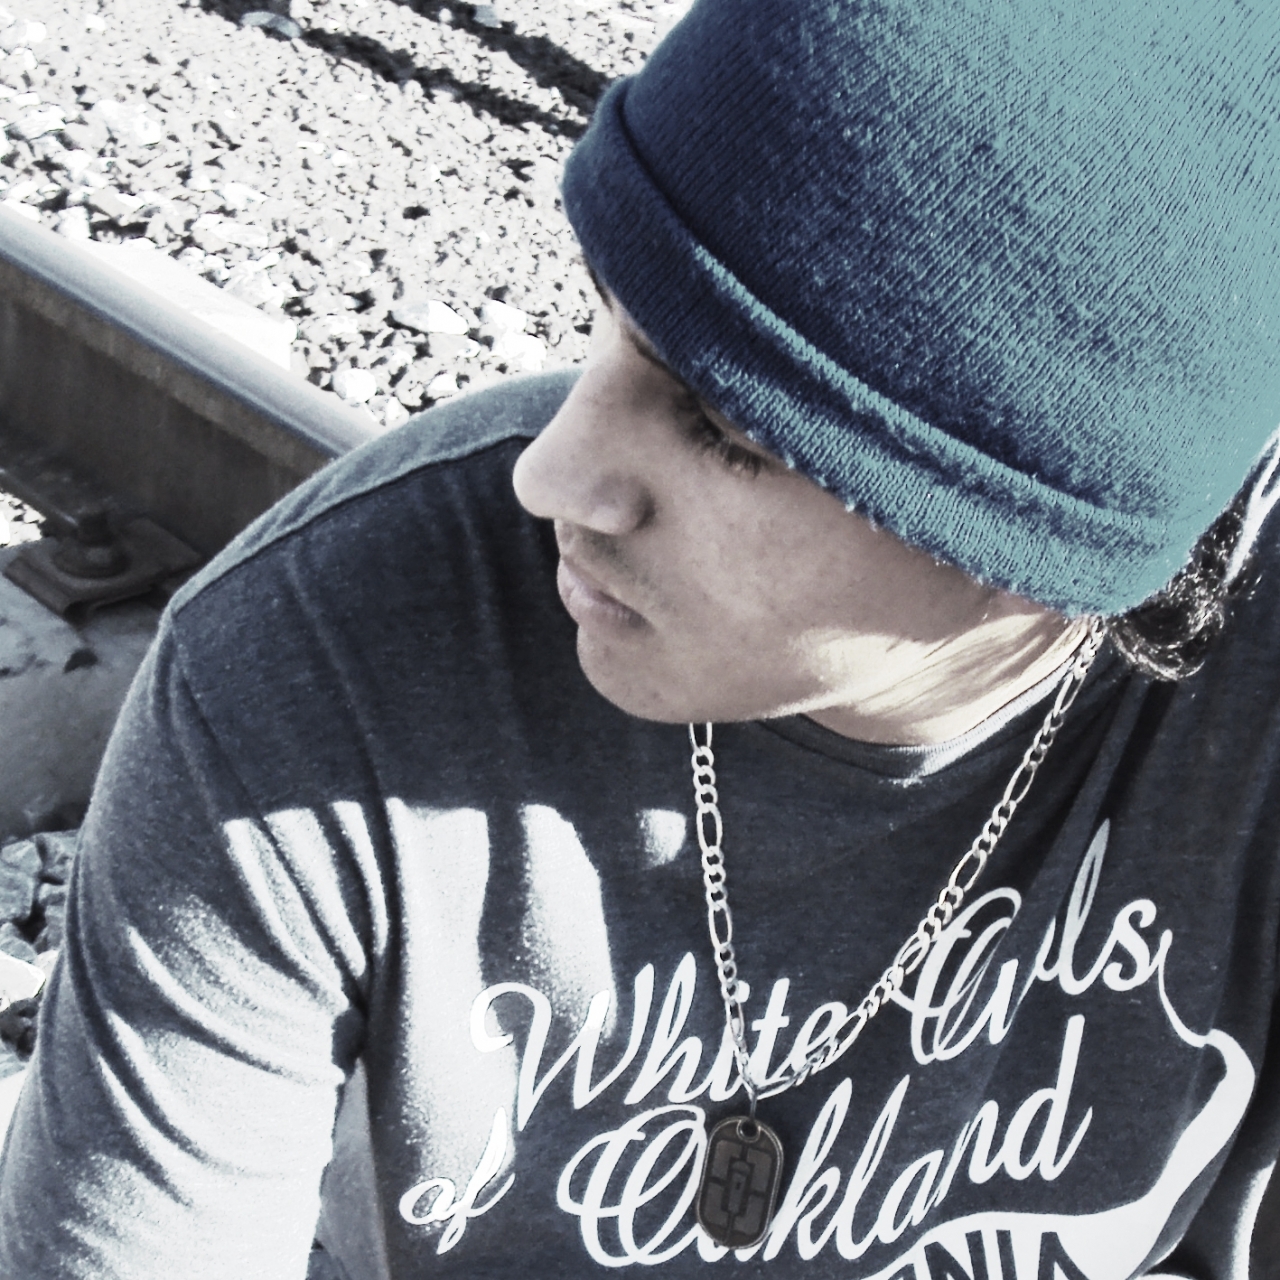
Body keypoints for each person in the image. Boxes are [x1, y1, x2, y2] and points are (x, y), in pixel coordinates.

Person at [2, 1, 1280, 1277]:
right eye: (609, 316)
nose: (551, 477)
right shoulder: (318, 650)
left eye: (730, 430)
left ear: (1042, 538)